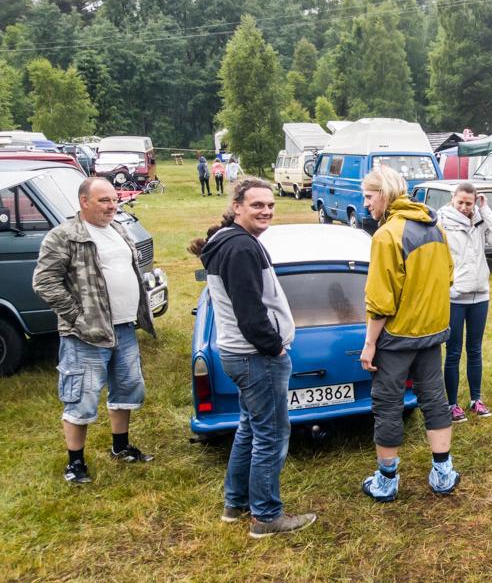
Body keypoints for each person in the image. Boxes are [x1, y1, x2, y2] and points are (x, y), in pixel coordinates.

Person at [188, 176, 316, 538]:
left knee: (250, 427)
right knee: (271, 434)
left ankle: (236, 502)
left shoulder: (228, 240)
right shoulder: (241, 247)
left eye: (271, 205)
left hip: (240, 354)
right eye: (257, 205)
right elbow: (250, 312)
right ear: (237, 207)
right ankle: (266, 516)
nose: (266, 211)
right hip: (256, 356)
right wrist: (274, 347)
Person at [33, 177, 158, 485]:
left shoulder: (118, 229)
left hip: (124, 328)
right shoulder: (63, 236)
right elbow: (44, 282)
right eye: (104, 200)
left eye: (114, 199)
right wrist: (77, 316)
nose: (112, 205)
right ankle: (75, 463)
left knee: (127, 388)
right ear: (84, 202)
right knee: (82, 397)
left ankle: (121, 447)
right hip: (85, 335)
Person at [359, 166, 460, 501]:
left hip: (396, 338)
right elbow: (448, 276)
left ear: (384, 194)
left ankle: (386, 481)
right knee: (435, 399)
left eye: (369, 196)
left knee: (387, 405)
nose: (366, 204)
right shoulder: (436, 227)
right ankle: (443, 474)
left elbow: (380, 300)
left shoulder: (387, 235)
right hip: (431, 334)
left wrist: (370, 343)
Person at [436, 182, 492, 422]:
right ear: (452, 199)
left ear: (475, 201)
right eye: (460, 202)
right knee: (453, 351)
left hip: (480, 294)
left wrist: (485, 210)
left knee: (475, 349)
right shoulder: (442, 221)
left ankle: (476, 399)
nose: (464, 207)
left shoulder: (479, 218)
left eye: (469, 203)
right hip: (455, 296)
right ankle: (452, 404)